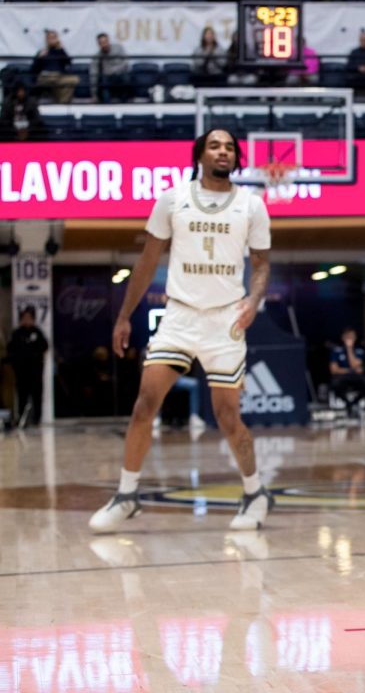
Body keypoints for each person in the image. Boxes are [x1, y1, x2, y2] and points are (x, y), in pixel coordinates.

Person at [88, 129, 274, 533]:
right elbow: (146, 260)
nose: (223, 151)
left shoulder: (252, 205)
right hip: (179, 315)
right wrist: (123, 316)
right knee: (144, 405)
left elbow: (261, 265)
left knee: (227, 417)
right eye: (215, 145)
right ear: (200, 154)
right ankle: (126, 495)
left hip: (225, 319)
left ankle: (255, 492)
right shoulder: (173, 199)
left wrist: (254, 300)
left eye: (229, 147)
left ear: (236, 158)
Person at [7, 307, 48, 427]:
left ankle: (37, 419)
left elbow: (45, 347)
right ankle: (21, 418)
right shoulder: (17, 333)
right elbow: (10, 349)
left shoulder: (37, 332)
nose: (26, 320)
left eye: (29, 318)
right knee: (22, 395)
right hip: (21, 372)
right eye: (24, 318)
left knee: (36, 395)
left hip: (35, 371)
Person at [330, 327, 365, 412]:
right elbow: (334, 369)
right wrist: (349, 370)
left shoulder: (359, 351)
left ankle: (354, 403)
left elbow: (354, 364)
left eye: (352, 337)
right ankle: (348, 403)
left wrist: (349, 349)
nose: (350, 339)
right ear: (343, 338)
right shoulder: (336, 350)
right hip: (343, 376)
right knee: (335, 384)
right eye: (348, 337)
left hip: (356, 377)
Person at [32, 30, 79, 104]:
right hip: (45, 77)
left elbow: (69, 63)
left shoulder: (60, 51)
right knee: (55, 79)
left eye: (54, 37)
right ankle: (62, 103)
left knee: (74, 79)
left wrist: (61, 49)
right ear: (47, 40)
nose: (52, 40)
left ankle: (62, 102)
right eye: (50, 38)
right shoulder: (42, 52)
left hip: (59, 77)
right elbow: (34, 69)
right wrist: (39, 58)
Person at [91, 32, 132, 103]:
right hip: (108, 77)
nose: (104, 45)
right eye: (101, 43)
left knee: (126, 78)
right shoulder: (97, 57)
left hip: (120, 74)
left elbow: (126, 62)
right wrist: (93, 94)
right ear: (98, 44)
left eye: (105, 42)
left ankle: (125, 103)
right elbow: (94, 74)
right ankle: (107, 106)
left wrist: (114, 70)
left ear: (108, 41)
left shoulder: (118, 48)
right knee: (103, 81)